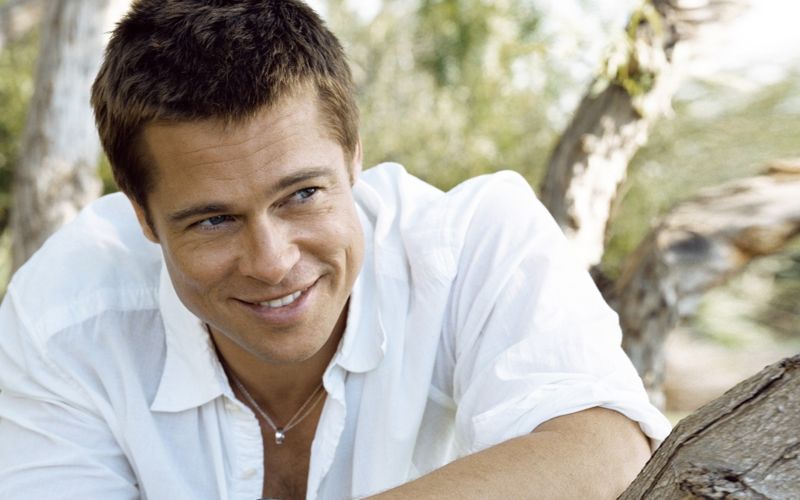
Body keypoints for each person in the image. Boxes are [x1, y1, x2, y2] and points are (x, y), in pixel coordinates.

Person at [0, 1, 671, 498]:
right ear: (143, 217)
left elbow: (606, 451)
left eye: (301, 195)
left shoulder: (472, 242)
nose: (271, 261)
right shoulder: (63, 315)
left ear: (353, 160)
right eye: (213, 221)